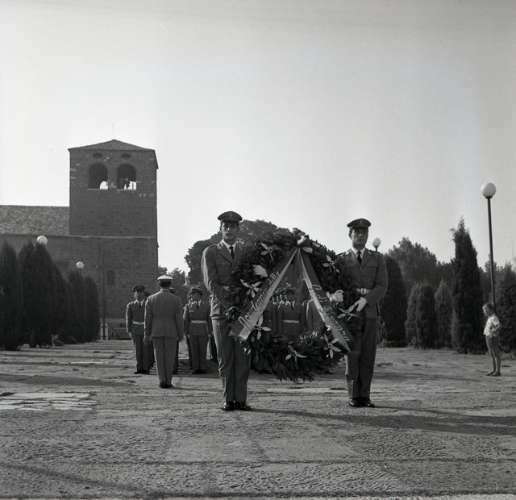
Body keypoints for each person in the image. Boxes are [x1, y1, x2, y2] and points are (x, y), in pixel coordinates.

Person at [201, 210, 252, 411]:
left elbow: (252, 281)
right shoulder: (211, 252)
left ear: (238, 229)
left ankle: (241, 399)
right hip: (221, 311)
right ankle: (228, 399)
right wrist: (230, 302)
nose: (229, 230)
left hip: (243, 312)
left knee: (242, 357)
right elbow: (211, 283)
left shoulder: (246, 252)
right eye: (226, 226)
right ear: (220, 229)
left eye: (233, 226)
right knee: (225, 356)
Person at [336, 218, 388, 408]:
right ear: (350, 235)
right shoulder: (341, 259)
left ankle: (364, 396)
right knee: (352, 355)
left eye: (364, 233)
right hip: (350, 313)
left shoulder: (378, 258)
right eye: (356, 232)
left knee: (368, 355)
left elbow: (382, 285)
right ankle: (353, 395)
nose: (360, 235)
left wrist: (366, 299)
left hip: (370, 313)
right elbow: (337, 285)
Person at [144, 275, 184, 388]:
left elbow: (147, 319)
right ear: (170, 284)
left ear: (159, 284)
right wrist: (180, 334)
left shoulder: (151, 299)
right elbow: (179, 319)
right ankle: (168, 380)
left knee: (159, 356)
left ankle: (161, 380)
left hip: (156, 330)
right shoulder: (176, 299)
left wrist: (147, 333)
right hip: (171, 330)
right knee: (170, 357)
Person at [183, 286, 211, 374]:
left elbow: (209, 319)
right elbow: (186, 320)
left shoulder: (207, 305)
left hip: (203, 330)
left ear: (199, 295)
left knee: (203, 350)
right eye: (192, 294)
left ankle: (203, 367)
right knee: (194, 350)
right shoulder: (188, 306)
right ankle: (195, 368)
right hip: (192, 330)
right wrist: (186, 332)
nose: (193, 296)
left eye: (195, 294)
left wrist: (210, 331)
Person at [125, 285, 151, 374]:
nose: (138, 294)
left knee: (146, 350)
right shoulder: (131, 305)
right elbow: (128, 319)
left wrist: (150, 330)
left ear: (143, 293)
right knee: (138, 350)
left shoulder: (148, 304)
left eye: (140, 292)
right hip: (135, 330)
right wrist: (129, 330)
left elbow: (151, 318)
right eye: (137, 293)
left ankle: (146, 368)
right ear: (134, 294)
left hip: (145, 329)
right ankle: (139, 368)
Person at [483, 302, 502, 377]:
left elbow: (499, 326)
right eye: (484, 310)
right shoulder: (490, 318)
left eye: (485, 310)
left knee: (495, 353)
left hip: (493, 337)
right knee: (491, 354)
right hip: (488, 337)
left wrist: (493, 331)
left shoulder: (494, 317)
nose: (484, 312)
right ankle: (494, 370)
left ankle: (498, 371)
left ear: (490, 310)